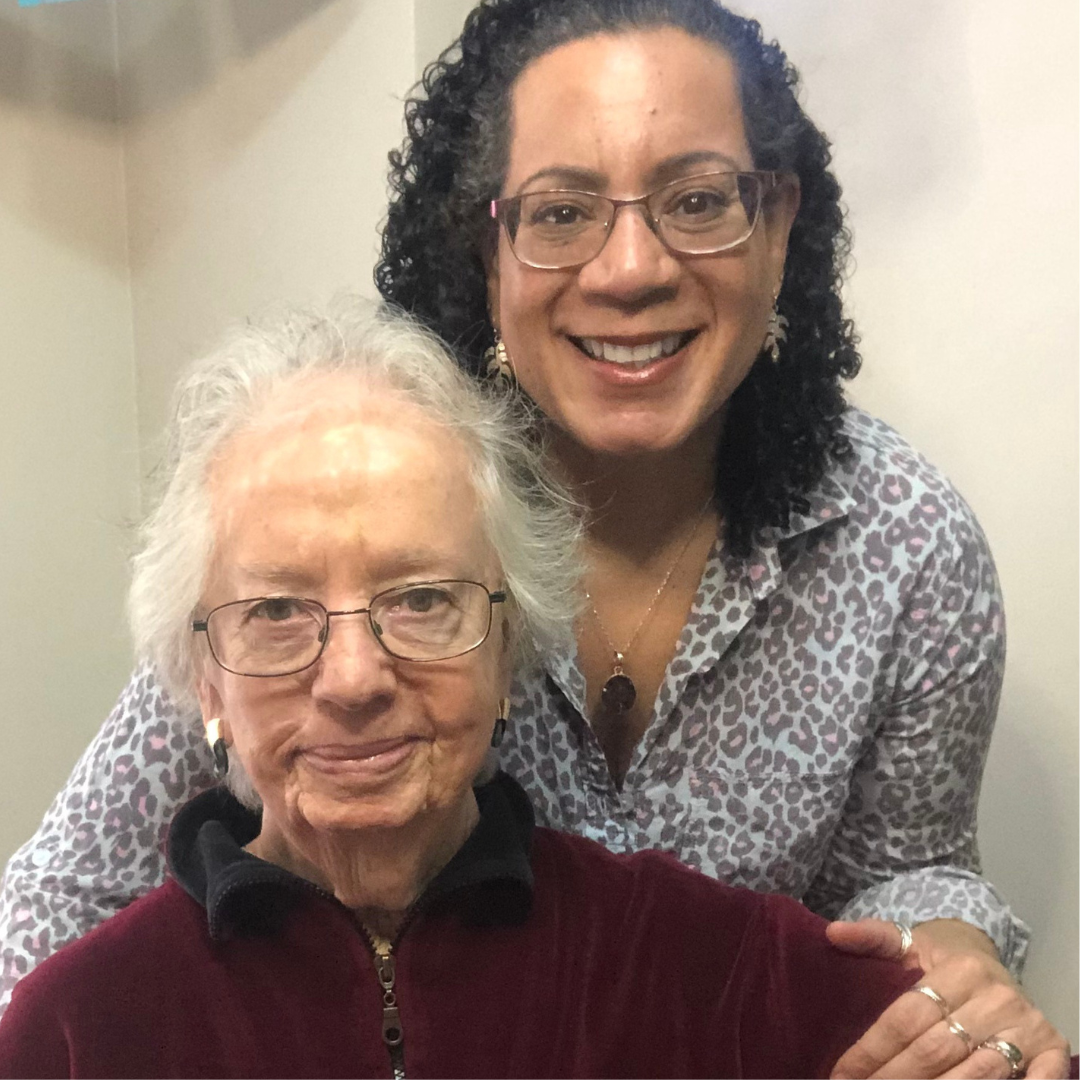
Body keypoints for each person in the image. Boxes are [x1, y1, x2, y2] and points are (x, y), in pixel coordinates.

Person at [0, 0, 1069, 1076]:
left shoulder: (903, 540)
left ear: (778, 224)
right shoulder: (367, 500)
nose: (630, 268)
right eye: (561, 213)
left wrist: (944, 971)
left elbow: (910, 869)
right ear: (487, 245)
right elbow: (61, 903)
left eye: (698, 200)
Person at [0, 303, 923, 1079]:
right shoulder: (77, 1033)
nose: (354, 679)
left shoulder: (710, 969)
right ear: (206, 679)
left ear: (509, 644)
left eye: (423, 599)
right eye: (277, 611)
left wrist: (974, 1022)